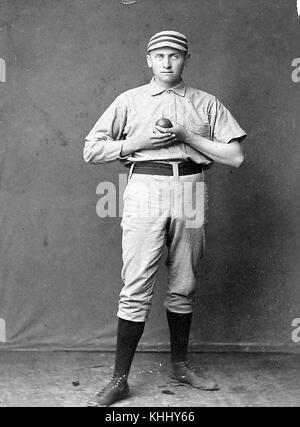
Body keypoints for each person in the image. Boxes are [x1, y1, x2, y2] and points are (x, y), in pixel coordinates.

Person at [83, 30, 247, 407]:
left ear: (186, 59)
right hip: (145, 186)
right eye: (160, 56)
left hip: (190, 186)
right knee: (136, 282)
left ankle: (180, 365)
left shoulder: (206, 103)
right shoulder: (130, 100)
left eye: (175, 55)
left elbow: (234, 157)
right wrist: (138, 143)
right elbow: (91, 150)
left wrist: (188, 136)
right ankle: (119, 380)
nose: (167, 62)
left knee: (184, 281)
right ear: (149, 60)